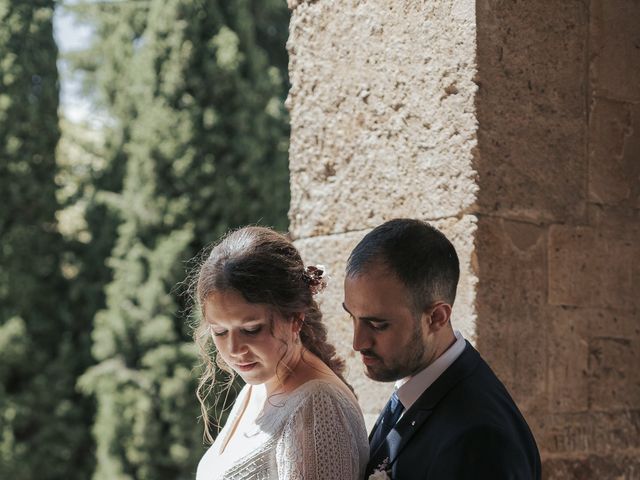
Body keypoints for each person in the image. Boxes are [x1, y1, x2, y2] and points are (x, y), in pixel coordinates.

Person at [342, 218, 541, 479]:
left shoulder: (481, 440)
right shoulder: (415, 388)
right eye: (352, 317)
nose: (358, 343)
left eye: (378, 325)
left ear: (436, 318)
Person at [193, 226, 368, 480]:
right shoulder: (258, 385)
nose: (234, 349)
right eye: (219, 332)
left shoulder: (317, 407)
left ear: (295, 319)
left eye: (251, 329)